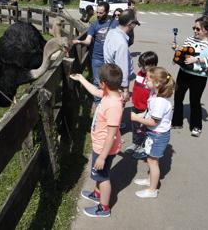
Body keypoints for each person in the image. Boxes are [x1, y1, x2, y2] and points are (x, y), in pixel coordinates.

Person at [70, 63, 124, 217]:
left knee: (103, 177)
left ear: (104, 84)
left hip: (104, 148)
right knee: (99, 174)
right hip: (100, 145)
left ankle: (104, 208)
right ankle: (97, 193)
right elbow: (94, 91)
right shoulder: (110, 94)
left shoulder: (113, 105)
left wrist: (102, 156)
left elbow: (111, 135)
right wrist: (80, 78)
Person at [171, 16, 208, 137]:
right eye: (194, 28)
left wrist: (197, 59)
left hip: (199, 77)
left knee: (195, 101)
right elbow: (185, 51)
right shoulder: (190, 39)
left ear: (206, 29)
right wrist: (178, 49)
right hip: (183, 73)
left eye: (198, 29)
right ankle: (176, 122)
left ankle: (196, 126)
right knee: (178, 98)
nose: (195, 31)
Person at [131, 67, 175, 198]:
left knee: (152, 162)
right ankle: (150, 180)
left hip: (158, 135)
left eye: (148, 79)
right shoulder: (154, 95)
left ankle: (152, 190)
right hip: (154, 134)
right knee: (150, 159)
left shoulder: (160, 102)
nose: (145, 81)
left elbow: (153, 122)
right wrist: (142, 115)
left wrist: (136, 118)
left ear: (156, 83)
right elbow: (150, 113)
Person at [73, 2, 114, 112]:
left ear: (107, 12)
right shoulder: (94, 25)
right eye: (97, 12)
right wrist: (80, 41)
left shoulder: (114, 24)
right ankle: (97, 104)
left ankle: (108, 102)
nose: (98, 14)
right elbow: (88, 40)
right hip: (96, 58)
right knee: (97, 81)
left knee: (109, 81)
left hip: (109, 58)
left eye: (101, 13)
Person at [125, 51, 159, 159]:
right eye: (140, 65)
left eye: (144, 65)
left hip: (147, 109)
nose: (141, 68)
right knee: (135, 127)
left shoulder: (156, 77)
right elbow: (136, 88)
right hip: (136, 106)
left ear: (153, 65)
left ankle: (144, 146)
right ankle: (136, 142)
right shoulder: (140, 74)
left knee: (146, 129)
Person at [103, 8, 139, 104]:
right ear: (130, 24)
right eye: (135, 23)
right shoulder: (121, 43)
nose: (135, 26)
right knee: (116, 111)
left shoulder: (111, 32)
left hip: (108, 76)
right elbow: (122, 68)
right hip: (117, 82)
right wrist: (125, 90)